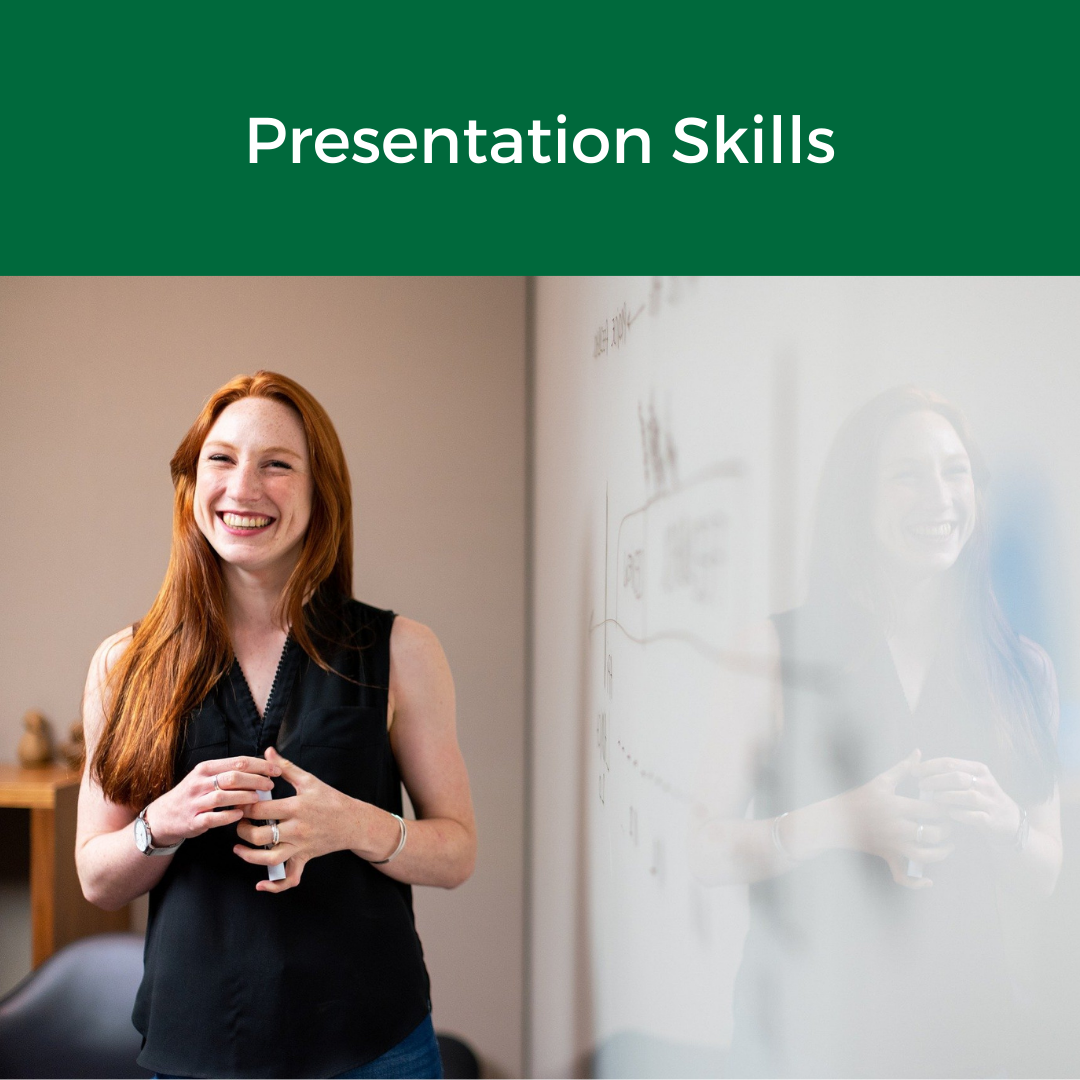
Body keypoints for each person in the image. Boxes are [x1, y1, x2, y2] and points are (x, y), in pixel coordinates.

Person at [75, 371, 476, 1079]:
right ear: (191, 484)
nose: (243, 487)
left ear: (322, 492)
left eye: (277, 465)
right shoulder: (123, 663)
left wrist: (353, 825)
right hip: (193, 1051)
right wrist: (161, 823)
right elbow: (97, 878)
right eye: (221, 459)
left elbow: (456, 852)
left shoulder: (402, 651)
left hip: (374, 1050)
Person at [694, 386, 1061, 1077]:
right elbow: (704, 849)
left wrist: (1003, 818)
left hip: (970, 1033)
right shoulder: (770, 652)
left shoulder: (1022, 667)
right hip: (803, 1031)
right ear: (855, 500)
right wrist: (841, 821)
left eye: (955, 472)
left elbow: (1045, 871)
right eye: (906, 475)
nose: (939, 497)